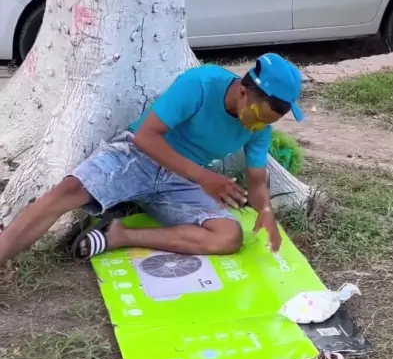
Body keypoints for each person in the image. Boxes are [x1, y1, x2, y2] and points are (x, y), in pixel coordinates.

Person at [0, 53, 304, 268]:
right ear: (243, 91)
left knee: (229, 236)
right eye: (258, 115)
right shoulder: (200, 84)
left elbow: (256, 179)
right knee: (67, 191)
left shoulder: (258, 128)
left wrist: (265, 210)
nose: (256, 126)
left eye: (267, 122)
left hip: (181, 182)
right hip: (138, 156)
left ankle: (119, 235)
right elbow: (146, 137)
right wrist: (204, 178)